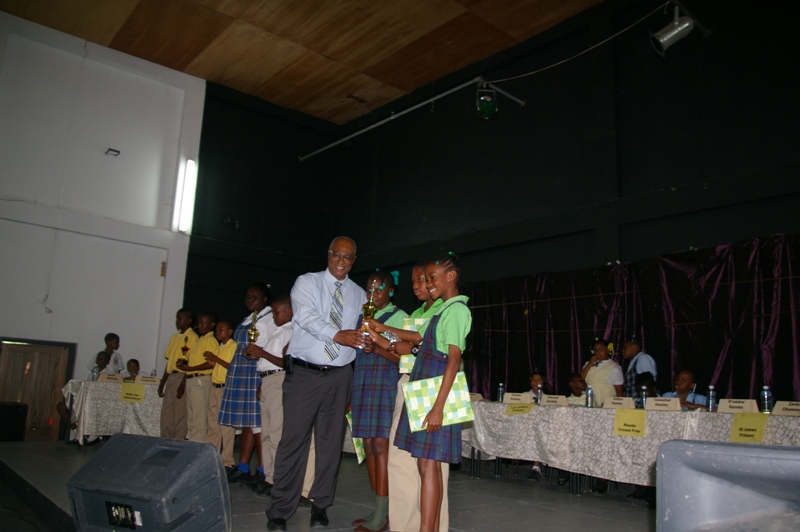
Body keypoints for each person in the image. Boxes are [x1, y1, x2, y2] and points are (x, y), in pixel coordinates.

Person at [266, 236, 367, 532]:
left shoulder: (360, 295)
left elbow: (365, 334)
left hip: (340, 376)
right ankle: (280, 509)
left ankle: (320, 504)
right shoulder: (306, 283)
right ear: (328, 254)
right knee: (292, 441)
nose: (341, 261)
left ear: (353, 261)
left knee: (330, 443)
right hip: (305, 374)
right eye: (337, 254)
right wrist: (338, 335)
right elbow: (308, 318)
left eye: (348, 258)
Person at [372, 252, 472, 532]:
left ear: (451, 276)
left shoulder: (457, 310)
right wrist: (379, 330)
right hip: (424, 385)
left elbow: (453, 359)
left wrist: (438, 407)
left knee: (430, 468)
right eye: (425, 279)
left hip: (435, 389)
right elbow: (416, 339)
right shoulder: (441, 310)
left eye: (431, 278)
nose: (427, 284)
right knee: (424, 466)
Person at [364, 262, 449, 532]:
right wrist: (380, 337)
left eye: (424, 279)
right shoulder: (417, 311)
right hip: (407, 383)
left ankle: (432, 526)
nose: (418, 285)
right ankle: (403, 525)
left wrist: (389, 339)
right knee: (400, 461)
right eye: (414, 281)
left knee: (431, 467)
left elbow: (430, 350)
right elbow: (406, 345)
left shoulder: (443, 310)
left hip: (428, 386)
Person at [350, 271, 407, 532]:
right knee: (370, 448)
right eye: (369, 289)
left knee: (382, 449)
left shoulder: (399, 318)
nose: (373, 294)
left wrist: (378, 348)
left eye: (379, 289)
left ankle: (385, 515)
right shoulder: (363, 318)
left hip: (385, 386)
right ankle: (379, 509)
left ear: (391, 291)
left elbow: (403, 358)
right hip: (364, 385)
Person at [220, 283, 277, 486]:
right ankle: (243, 467)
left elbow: (268, 347)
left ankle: (262, 470)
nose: (250, 299)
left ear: (264, 300)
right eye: (248, 296)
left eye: (255, 296)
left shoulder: (269, 318)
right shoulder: (249, 318)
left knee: (258, 424)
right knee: (248, 422)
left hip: (254, 372)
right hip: (241, 371)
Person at [250, 295, 294, 496]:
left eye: (277, 312)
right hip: (267, 381)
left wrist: (262, 353)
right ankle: (269, 476)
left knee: (276, 432)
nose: (274, 316)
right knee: (266, 432)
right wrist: (261, 382)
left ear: (290, 312)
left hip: (279, 381)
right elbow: (266, 363)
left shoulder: (291, 332)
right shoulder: (277, 332)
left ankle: (279, 479)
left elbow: (286, 363)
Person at [177, 312, 218, 442]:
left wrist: (191, 368)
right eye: (199, 323)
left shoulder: (210, 340)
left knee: (199, 418)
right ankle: (191, 442)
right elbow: (192, 360)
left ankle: (196, 446)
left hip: (200, 380)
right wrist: (184, 364)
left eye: (203, 323)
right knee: (191, 417)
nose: (199, 326)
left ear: (211, 325)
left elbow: (211, 363)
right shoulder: (200, 340)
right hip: (191, 379)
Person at [157, 309, 197, 439]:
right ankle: (165, 439)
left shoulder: (192, 337)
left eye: (180, 318)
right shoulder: (175, 336)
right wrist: (162, 382)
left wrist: (183, 384)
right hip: (171, 376)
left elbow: (190, 362)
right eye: (176, 318)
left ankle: (177, 441)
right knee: (167, 413)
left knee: (180, 414)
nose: (177, 321)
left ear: (189, 321)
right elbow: (169, 361)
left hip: (182, 377)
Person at [204, 320, 237, 472]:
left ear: (230, 331)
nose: (218, 332)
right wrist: (212, 359)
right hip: (215, 387)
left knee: (226, 427)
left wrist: (216, 359)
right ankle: (211, 457)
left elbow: (232, 367)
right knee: (213, 425)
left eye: (222, 329)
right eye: (217, 329)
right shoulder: (220, 346)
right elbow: (216, 365)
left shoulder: (233, 346)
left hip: (226, 388)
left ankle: (227, 461)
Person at [580, 338, 623, 408]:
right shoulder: (588, 364)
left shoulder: (614, 367)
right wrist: (590, 363)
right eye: (595, 350)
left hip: (605, 407)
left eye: (601, 349)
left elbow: (619, 392)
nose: (597, 352)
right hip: (588, 404)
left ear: (607, 350)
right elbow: (579, 379)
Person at [621, 336, 657, 401]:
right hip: (634, 402)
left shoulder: (643, 359)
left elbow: (647, 384)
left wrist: (643, 403)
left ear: (635, 347)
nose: (622, 350)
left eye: (625, 347)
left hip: (641, 402)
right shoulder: (634, 360)